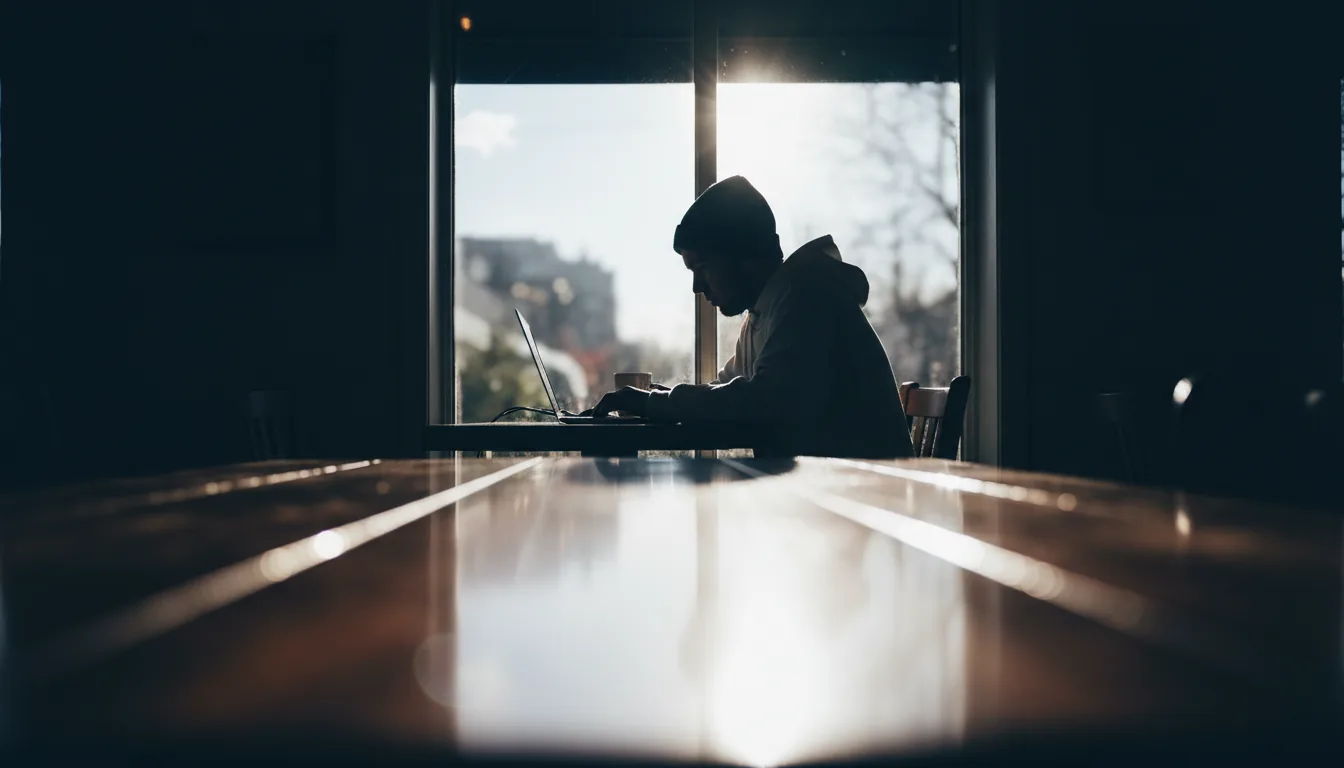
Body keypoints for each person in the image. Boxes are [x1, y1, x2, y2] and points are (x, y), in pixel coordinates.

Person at [591, 175, 914, 459]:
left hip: (863, 502)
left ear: (746, 257)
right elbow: (731, 388)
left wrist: (655, 405)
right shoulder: (771, 308)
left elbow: (764, 400)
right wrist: (660, 400)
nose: (696, 287)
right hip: (831, 493)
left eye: (702, 269)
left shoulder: (806, 297)